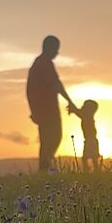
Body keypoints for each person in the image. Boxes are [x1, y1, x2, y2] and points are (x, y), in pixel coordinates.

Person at [26, 35, 78, 173]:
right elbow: (56, 84)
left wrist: (34, 110)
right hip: (47, 109)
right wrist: (70, 102)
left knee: (48, 139)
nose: (57, 53)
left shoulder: (38, 63)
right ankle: (45, 168)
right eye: (56, 49)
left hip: (42, 109)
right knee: (53, 137)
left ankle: (44, 169)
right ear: (49, 48)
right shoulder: (44, 63)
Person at [70, 99, 102, 173]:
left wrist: (73, 109)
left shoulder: (87, 116)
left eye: (84, 106)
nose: (82, 107)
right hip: (90, 139)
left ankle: (88, 171)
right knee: (92, 158)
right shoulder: (88, 116)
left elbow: (79, 113)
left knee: (86, 158)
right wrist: (74, 109)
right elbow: (79, 113)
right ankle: (95, 171)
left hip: (90, 140)